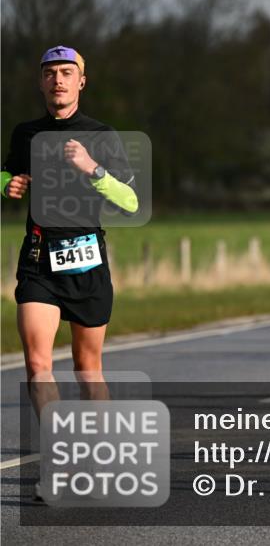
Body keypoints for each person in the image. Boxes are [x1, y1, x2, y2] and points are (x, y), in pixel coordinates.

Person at [3, 46, 139, 501]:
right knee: (38, 362)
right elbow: (5, 175)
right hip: (39, 256)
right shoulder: (25, 133)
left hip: (86, 259)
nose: (57, 80)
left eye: (66, 73)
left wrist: (92, 168)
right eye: (49, 73)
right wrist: (9, 184)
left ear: (82, 81)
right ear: (40, 82)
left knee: (87, 369)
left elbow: (130, 201)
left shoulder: (101, 135)